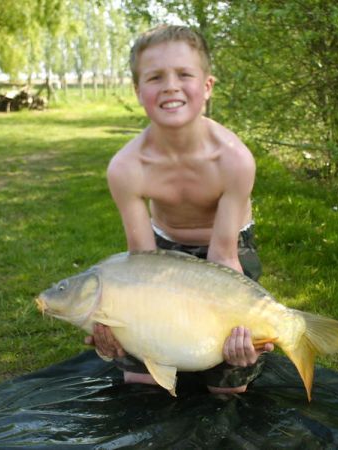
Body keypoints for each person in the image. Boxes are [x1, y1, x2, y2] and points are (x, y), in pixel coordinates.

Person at [85, 24, 273, 394]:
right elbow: (142, 263)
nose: (170, 86)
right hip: (162, 249)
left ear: (207, 86)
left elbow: (223, 257)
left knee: (227, 385)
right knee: (141, 380)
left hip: (228, 248)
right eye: (155, 77)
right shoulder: (126, 167)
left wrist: (240, 324)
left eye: (184, 74)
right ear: (138, 91)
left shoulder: (234, 160)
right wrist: (122, 323)